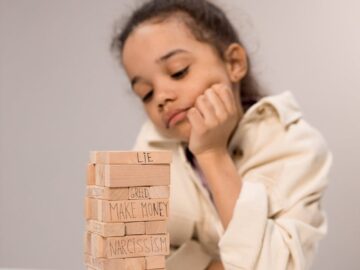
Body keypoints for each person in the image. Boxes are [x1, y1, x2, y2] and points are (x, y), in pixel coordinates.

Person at [110, 0, 332, 269]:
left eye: (178, 71)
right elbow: (118, 258)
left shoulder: (296, 145)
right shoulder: (149, 147)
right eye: (146, 93)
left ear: (234, 62)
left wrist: (212, 154)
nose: (161, 97)